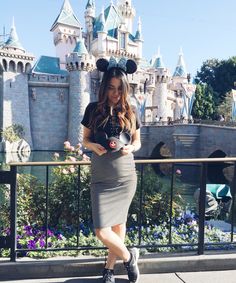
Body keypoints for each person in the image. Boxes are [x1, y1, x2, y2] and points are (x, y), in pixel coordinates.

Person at [81, 56, 141, 283]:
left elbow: (137, 142)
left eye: (119, 88)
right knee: (101, 231)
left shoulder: (131, 111)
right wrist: (92, 146)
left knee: (118, 225)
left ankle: (109, 269)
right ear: (104, 87)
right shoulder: (93, 109)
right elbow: (85, 139)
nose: (115, 93)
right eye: (111, 88)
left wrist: (130, 149)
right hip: (101, 178)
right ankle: (129, 257)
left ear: (125, 88)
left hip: (125, 176)